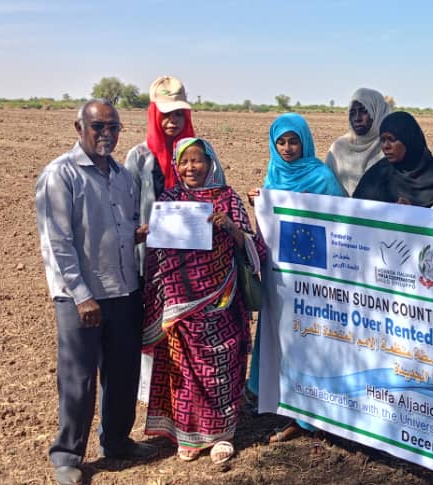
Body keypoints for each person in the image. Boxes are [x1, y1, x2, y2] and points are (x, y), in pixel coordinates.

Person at [35, 100, 156, 485]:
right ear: (79, 127)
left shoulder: (120, 175)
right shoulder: (61, 174)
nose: (107, 134)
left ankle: (117, 440)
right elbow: (58, 242)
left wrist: (138, 234)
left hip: (123, 289)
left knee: (123, 373)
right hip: (81, 297)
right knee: (79, 378)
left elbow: (123, 226)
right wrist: (81, 295)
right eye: (99, 126)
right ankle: (68, 454)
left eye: (114, 127)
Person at [142, 137, 267, 463]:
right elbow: (158, 255)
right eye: (184, 162)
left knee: (222, 369)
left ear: (211, 163)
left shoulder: (227, 198)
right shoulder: (170, 199)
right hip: (181, 306)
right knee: (184, 373)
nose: (190, 167)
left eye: (197, 161)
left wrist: (230, 228)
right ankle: (189, 435)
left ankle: (223, 435)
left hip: (222, 303)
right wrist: (148, 233)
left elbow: (253, 248)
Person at [244, 113, 343, 443]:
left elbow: (342, 222)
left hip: (315, 280)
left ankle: (313, 416)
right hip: (282, 279)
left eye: (293, 141)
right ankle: (285, 405)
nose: (287, 148)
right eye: (281, 142)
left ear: (305, 142)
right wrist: (258, 206)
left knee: (311, 342)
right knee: (283, 339)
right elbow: (267, 234)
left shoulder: (322, 178)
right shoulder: (273, 176)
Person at [125, 75, 197, 274]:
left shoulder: (201, 154)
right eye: (166, 114)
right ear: (154, 114)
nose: (173, 121)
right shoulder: (139, 157)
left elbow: (217, 195)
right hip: (152, 257)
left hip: (194, 256)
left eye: (179, 114)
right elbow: (127, 208)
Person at [351, 111, 433, 207]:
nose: (386, 146)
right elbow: (357, 211)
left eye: (391, 139)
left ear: (409, 140)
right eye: (382, 140)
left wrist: (415, 214)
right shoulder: (377, 175)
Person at [325, 88, 392, 195]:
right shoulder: (338, 149)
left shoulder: (390, 148)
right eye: (352, 112)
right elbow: (326, 190)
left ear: (378, 112)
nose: (357, 118)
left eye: (364, 111)